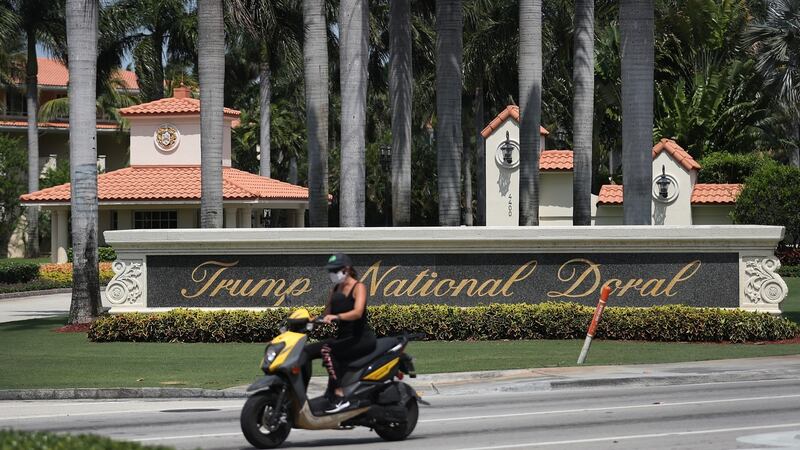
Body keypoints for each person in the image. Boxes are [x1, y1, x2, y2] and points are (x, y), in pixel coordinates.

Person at [304, 253, 376, 414]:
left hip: (360, 339)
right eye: (330, 271)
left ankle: (340, 396)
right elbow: (326, 312)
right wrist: (310, 321)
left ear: (347, 269)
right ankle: (300, 394)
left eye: (335, 270)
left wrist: (337, 317)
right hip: (343, 339)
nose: (332, 274)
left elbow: (357, 312)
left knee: (327, 349)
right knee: (305, 351)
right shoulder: (335, 289)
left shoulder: (359, 287)